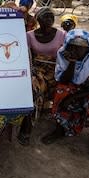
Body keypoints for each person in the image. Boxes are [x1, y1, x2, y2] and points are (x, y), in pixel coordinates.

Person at [42, 29, 89, 161]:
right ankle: (60, 129)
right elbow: (63, 80)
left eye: (80, 48)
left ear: (88, 48)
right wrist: (72, 62)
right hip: (77, 85)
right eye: (71, 46)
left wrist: (72, 97)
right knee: (61, 91)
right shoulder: (63, 54)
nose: (74, 50)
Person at [17, 8, 66, 145]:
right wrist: (32, 72)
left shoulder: (62, 35)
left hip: (56, 69)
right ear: (38, 19)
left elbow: (66, 57)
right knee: (34, 88)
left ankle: (27, 126)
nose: (50, 20)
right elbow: (27, 57)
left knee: (38, 88)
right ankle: (27, 126)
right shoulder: (29, 36)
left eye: (51, 17)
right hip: (36, 68)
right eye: (46, 17)